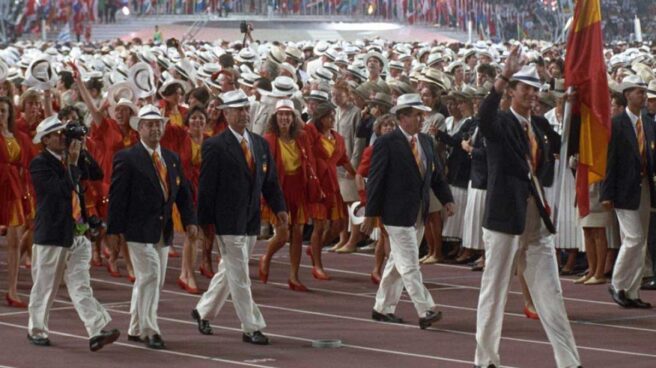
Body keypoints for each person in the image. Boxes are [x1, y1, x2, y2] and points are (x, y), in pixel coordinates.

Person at [473, 47, 581, 368]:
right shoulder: (502, 123)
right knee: (495, 292)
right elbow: (484, 118)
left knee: (552, 296)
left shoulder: (540, 128)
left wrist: (572, 106)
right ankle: (485, 359)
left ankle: (569, 362)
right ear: (511, 91)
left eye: (535, 89)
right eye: (525, 88)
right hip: (505, 218)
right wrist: (502, 76)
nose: (532, 95)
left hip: (536, 220)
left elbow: (559, 150)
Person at [192, 90, 287, 345]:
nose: (244, 114)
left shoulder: (259, 143)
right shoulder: (214, 145)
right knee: (240, 275)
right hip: (227, 221)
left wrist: (280, 209)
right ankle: (251, 326)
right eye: (238, 109)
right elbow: (206, 188)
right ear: (226, 113)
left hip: (251, 219)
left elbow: (270, 182)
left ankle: (203, 311)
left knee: (231, 270)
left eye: (246, 109)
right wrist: (203, 224)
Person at [107, 105, 198, 349]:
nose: (155, 128)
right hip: (137, 229)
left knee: (150, 281)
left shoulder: (172, 158)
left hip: (162, 229)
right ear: (139, 129)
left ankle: (136, 328)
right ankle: (150, 329)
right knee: (150, 275)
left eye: (159, 123)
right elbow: (117, 197)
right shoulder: (127, 158)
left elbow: (183, 194)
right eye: (149, 124)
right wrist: (113, 231)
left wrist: (190, 221)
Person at [361, 93, 455, 329]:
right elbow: (376, 180)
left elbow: (435, 175)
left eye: (422, 114)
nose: (422, 118)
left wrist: (447, 200)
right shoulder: (385, 143)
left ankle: (382, 308)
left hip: (418, 213)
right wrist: (370, 214)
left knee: (397, 263)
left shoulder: (425, 141)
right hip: (396, 214)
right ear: (402, 118)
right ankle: (426, 309)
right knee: (410, 263)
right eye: (417, 114)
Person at [27, 115, 120, 351]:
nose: (62, 136)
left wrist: (82, 147)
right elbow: (58, 191)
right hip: (52, 235)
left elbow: (97, 173)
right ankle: (37, 329)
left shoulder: (73, 158)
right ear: (45, 140)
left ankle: (97, 329)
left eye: (63, 132)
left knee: (81, 286)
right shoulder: (39, 164)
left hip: (78, 233)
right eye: (57, 134)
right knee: (45, 286)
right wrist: (73, 162)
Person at [602, 75, 654, 309]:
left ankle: (632, 291)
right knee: (633, 238)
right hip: (624, 189)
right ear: (627, 95)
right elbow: (610, 161)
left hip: (645, 187)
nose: (643, 96)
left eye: (644, 92)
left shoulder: (648, 123)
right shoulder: (618, 123)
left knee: (640, 242)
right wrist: (607, 193)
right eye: (639, 92)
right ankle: (618, 283)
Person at [259, 99, 316, 291]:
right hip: (279, 189)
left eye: (288, 114)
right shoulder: (268, 139)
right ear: (275, 118)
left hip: (298, 187)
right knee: (283, 235)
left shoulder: (302, 136)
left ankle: (294, 276)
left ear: (294, 118)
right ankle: (266, 257)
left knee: (298, 233)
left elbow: (310, 161)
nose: (284, 118)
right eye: (281, 115)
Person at [0, 96, 34, 307]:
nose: (1, 114)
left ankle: (12, 290)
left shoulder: (19, 136)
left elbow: (31, 161)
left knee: (14, 242)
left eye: (4, 111)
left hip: (14, 191)